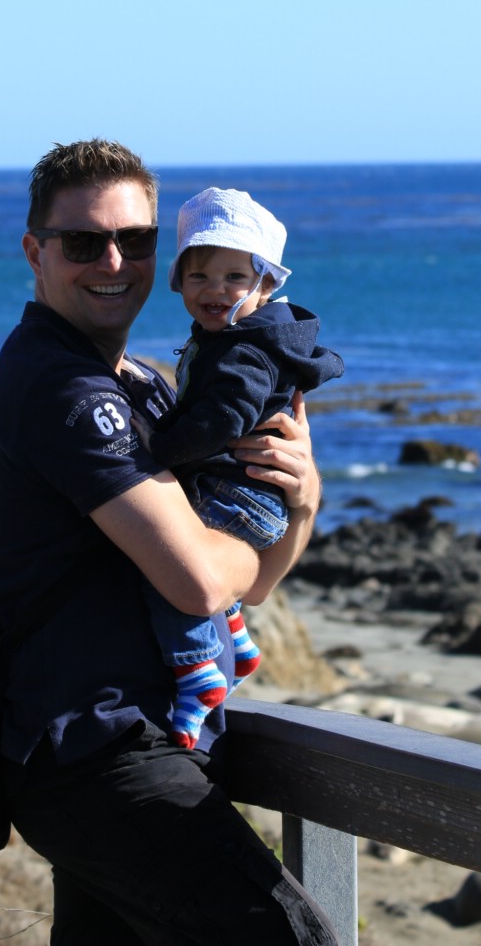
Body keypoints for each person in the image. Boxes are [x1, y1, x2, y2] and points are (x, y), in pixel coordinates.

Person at [0, 140, 338, 946]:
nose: (112, 262)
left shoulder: (140, 384)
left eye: (133, 240)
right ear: (34, 251)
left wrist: (303, 500)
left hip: (137, 745)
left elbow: (250, 585)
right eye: (82, 242)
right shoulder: (68, 395)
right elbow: (201, 585)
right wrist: (236, 552)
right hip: (99, 754)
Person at [135, 186, 344, 749]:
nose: (214, 290)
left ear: (265, 284)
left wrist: (160, 445)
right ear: (179, 282)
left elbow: (222, 417)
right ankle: (235, 634)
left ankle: (198, 670)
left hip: (240, 495)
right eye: (199, 276)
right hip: (253, 494)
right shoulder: (230, 337)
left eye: (234, 277)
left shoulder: (244, 350)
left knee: (167, 562)